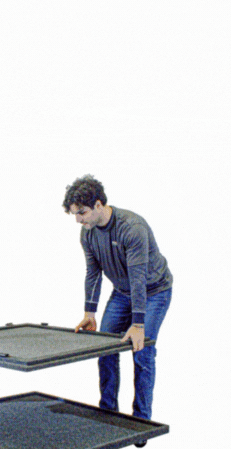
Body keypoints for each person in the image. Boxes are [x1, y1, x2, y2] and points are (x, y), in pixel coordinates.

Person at [63, 174, 172, 422]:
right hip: (122, 293)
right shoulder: (87, 233)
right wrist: (89, 313)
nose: (78, 219)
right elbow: (93, 273)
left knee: (142, 351)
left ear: (98, 204)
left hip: (154, 291)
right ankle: (108, 414)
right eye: (75, 214)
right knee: (105, 348)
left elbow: (138, 278)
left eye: (82, 212)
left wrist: (138, 324)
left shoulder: (132, 228)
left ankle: (140, 421)